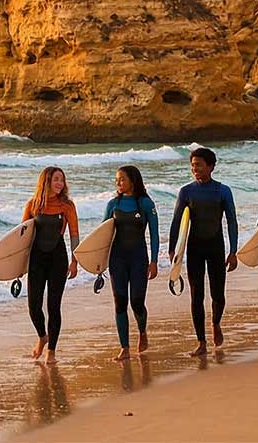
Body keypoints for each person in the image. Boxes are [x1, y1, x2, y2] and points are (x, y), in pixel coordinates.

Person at [168, 147, 238, 356]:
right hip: (195, 248)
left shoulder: (223, 191)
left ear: (211, 166)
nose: (194, 169)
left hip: (216, 246)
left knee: (218, 294)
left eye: (198, 165)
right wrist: (173, 250)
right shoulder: (186, 191)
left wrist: (233, 251)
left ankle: (216, 323)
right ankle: (201, 342)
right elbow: (177, 222)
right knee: (196, 295)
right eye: (192, 165)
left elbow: (231, 221)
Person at [21, 166, 80, 364]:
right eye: (56, 179)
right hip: (36, 260)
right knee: (33, 307)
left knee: (54, 306)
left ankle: (51, 351)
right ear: (46, 181)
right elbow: (21, 237)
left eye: (62, 180)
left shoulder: (67, 206)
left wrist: (74, 261)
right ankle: (42, 336)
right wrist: (18, 266)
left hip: (58, 258)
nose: (60, 183)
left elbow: (74, 234)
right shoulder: (33, 205)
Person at [102, 165, 159, 361]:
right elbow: (102, 235)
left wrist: (154, 261)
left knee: (137, 302)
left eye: (122, 179)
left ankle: (142, 331)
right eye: (116, 179)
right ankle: (124, 347)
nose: (118, 182)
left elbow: (154, 234)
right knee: (120, 303)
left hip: (138, 258)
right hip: (117, 259)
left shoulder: (145, 204)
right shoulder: (112, 205)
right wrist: (98, 263)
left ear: (133, 181)